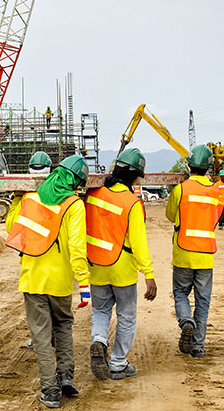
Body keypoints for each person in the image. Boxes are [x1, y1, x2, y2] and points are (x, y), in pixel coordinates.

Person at [5, 154, 90, 409]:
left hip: (32, 279)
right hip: (60, 281)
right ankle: (66, 376)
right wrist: (84, 284)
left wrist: (16, 200)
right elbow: (77, 247)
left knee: (41, 336)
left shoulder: (31, 198)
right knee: (63, 325)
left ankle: (50, 391)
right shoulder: (74, 205)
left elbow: (12, 228)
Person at [85, 148, 157, 381]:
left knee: (100, 311)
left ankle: (99, 341)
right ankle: (117, 363)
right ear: (134, 176)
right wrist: (149, 274)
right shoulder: (132, 203)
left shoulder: (93, 194)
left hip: (96, 266)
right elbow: (139, 243)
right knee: (126, 316)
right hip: (122, 269)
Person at [165, 145, 224, 359]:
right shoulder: (217, 191)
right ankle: (198, 346)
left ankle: (185, 321)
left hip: (182, 252)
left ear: (189, 165)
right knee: (203, 301)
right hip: (206, 255)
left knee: (180, 293)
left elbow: (171, 216)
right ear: (209, 167)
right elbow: (216, 219)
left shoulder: (180, 190)